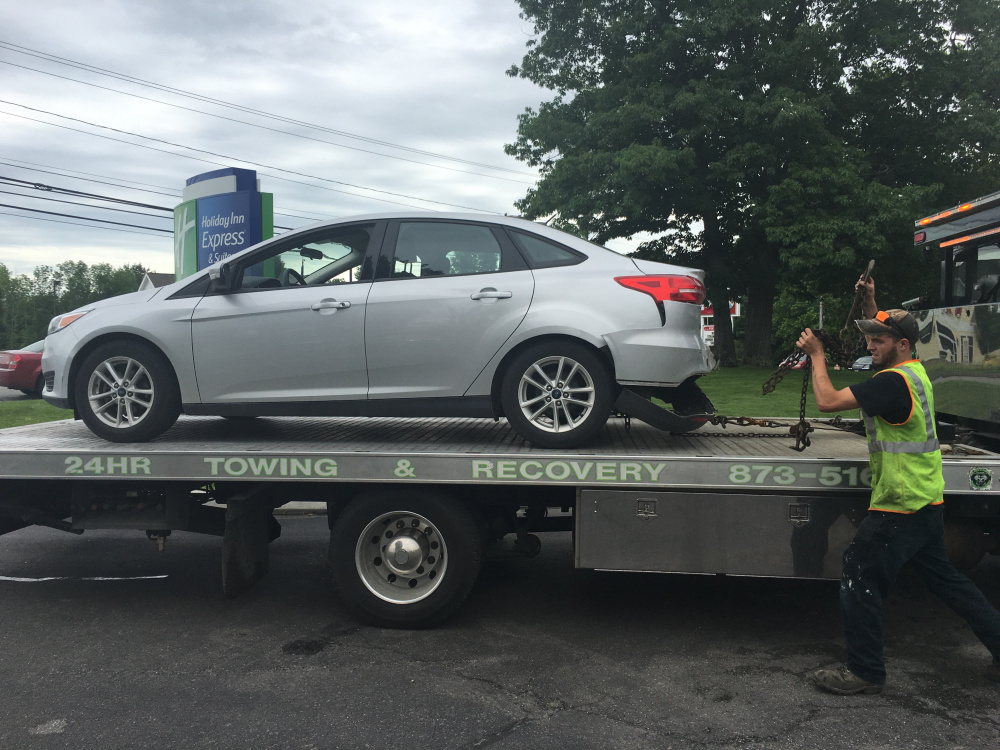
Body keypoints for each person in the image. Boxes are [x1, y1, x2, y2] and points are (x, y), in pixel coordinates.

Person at [795, 276, 1000, 695]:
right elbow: (888, 330)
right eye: (869, 338)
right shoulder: (914, 372)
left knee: (858, 576)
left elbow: (827, 401)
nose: (870, 345)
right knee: (950, 582)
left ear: (902, 344)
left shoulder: (889, 384)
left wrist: (817, 356)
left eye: (878, 340)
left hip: (899, 505)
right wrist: (872, 303)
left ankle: (865, 670)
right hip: (927, 500)